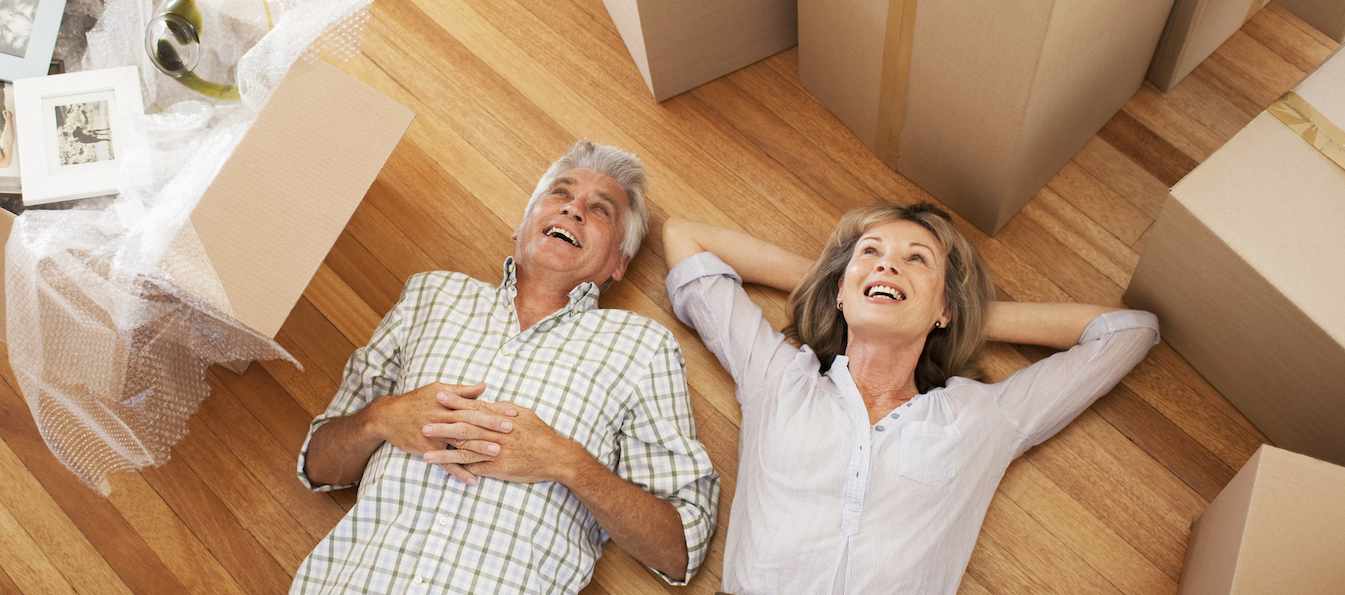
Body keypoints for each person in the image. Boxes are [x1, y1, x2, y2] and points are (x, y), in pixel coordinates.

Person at [663, 202, 1158, 595]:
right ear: (840, 291)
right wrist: (850, 285)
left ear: (945, 307)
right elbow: (684, 237)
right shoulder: (778, 377)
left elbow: (1129, 333)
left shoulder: (981, 418)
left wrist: (956, 313)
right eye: (871, 252)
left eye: (916, 258)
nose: (888, 263)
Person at [292, 140, 719, 594]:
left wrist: (566, 462)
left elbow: (678, 551)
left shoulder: (643, 348)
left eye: (601, 210)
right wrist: (381, 418)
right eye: (560, 193)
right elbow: (319, 468)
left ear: (618, 263)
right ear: (521, 226)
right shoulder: (430, 295)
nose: (573, 209)